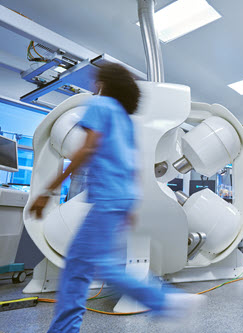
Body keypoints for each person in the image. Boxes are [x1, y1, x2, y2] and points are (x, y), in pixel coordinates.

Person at [29, 63, 205, 332]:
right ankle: (164, 301)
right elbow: (133, 164)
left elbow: (86, 150)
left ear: (105, 83)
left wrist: (49, 189)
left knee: (81, 267)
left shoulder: (98, 107)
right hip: (121, 199)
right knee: (97, 265)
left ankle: (164, 301)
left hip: (107, 199)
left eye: (96, 78)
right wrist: (130, 207)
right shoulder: (124, 119)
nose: (93, 82)